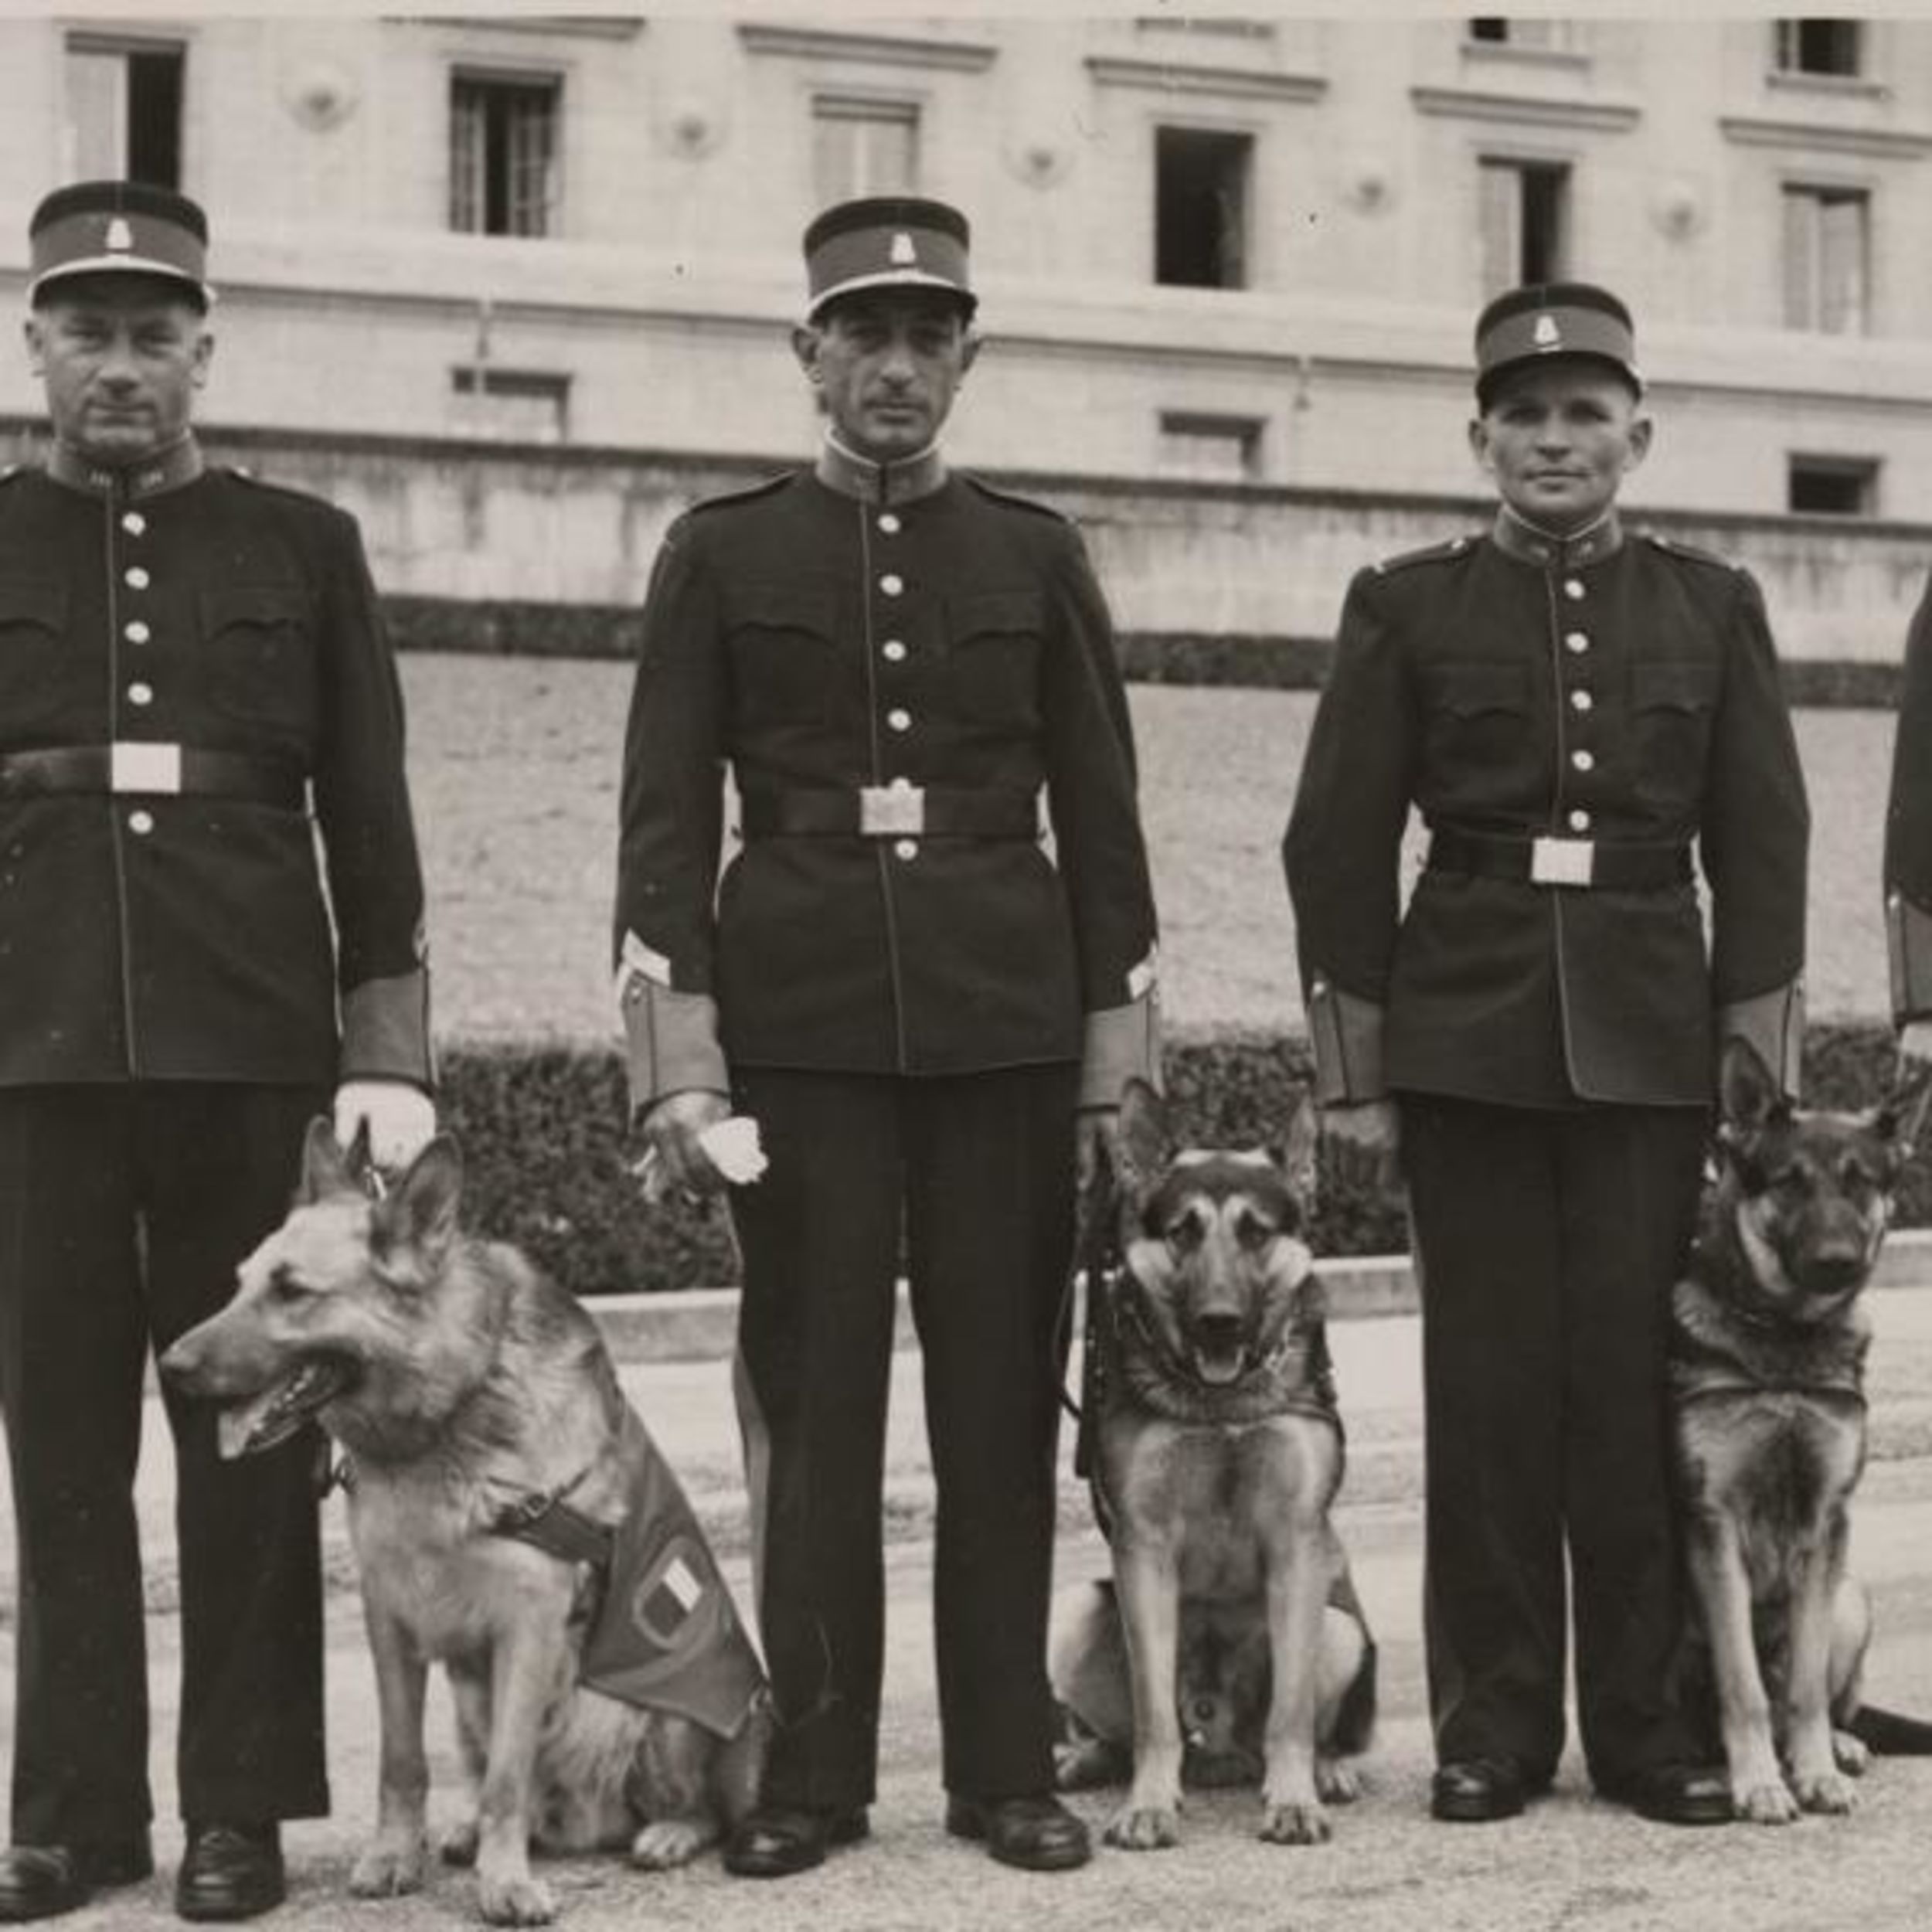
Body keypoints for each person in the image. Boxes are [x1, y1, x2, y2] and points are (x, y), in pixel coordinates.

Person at [613, 196, 1158, 1878]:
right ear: (808, 354)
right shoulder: (723, 548)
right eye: (865, 337)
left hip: (1001, 1022)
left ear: (966, 360)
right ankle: (816, 1773)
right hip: (802, 1032)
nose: (896, 369)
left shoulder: (1032, 551)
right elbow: (658, 820)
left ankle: (1005, 1767)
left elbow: (1105, 815)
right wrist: (679, 1059)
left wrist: (1110, 1062)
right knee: (819, 1399)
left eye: (929, 342)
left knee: (997, 1412)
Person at [1283, 283, 1809, 1828]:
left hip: (1649, 1044)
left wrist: (1748, 1078)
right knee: (1488, 1390)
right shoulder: (1406, 601)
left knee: (1638, 1390)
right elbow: (1332, 841)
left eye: (1583, 414)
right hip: (1467, 1037)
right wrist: (1355, 1072)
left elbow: (1760, 846)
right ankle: (1491, 1726)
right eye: (1522, 415)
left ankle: (1644, 1729)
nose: (1552, 441)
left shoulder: (1708, 604)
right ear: (1478, 437)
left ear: (1635, 435)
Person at [0, 182, 435, 1922]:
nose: (121, 362)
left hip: (249, 1041)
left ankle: (238, 1808)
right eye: (86, 329)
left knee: (252, 1423)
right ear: (34, 340)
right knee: (56, 1435)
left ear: (205, 349)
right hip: (28, 1045)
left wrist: (384, 1042)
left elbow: (372, 809)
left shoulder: (301, 543)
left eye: (153, 332)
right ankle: (72, 1811)